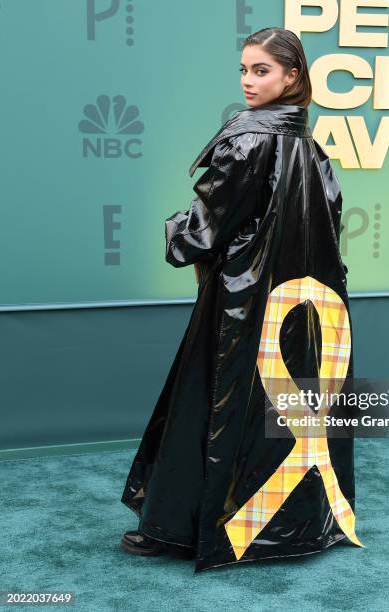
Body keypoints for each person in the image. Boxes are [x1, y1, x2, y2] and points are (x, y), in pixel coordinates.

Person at [120, 27, 365, 573]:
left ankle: (178, 528)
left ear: (292, 76)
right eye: (244, 70)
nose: (249, 82)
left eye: (262, 71)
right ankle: (284, 528)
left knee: (210, 405)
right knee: (279, 413)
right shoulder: (310, 146)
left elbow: (203, 230)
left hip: (241, 303)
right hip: (301, 311)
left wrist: (176, 232)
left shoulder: (249, 138)